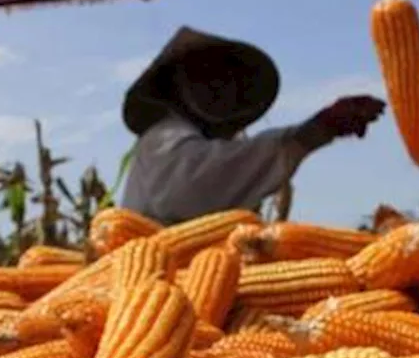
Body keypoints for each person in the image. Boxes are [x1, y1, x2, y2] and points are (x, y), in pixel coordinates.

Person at [119, 26, 387, 225]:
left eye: (227, 80)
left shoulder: (214, 142)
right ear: (175, 86)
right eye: (204, 76)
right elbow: (204, 184)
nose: (219, 86)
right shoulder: (164, 136)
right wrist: (317, 129)